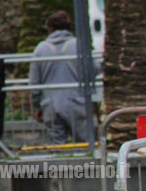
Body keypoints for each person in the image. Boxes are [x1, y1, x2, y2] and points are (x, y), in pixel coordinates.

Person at [29, 10, 98, 144]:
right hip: (78, 103)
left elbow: (34, 84)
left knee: (57, 150)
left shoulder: (40, 49)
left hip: (50, 105)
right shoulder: (79, 45)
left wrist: (37, 106)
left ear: (49, 27)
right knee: (85, 146)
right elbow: (93, 69)